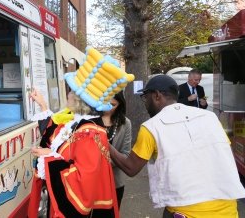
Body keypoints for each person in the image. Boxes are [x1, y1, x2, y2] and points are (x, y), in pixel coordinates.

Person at [109, 74, 245, 218]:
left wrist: (104, 142)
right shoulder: (211, 118)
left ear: (156, 96)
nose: (145, 102)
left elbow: (131, 167)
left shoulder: (152, 127)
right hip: (228, 211)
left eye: (145, 97)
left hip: (184, 213)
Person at [27, 47, 135, 218]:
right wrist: (43, 106)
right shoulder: (80, 124)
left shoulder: (89, 133)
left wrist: (50, 157)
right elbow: (55, 134)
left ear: (78, 100)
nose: (68, 94)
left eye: (71, 91)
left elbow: (82, 186)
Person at [101, 91, 131, 208]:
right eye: (105, 103)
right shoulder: (91, 120)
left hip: (115, 182)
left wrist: (104, 163)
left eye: (113, 105)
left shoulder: (125, 123)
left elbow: (125, 155)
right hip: (92, 181)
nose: (107, 108)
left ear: (120, 105)